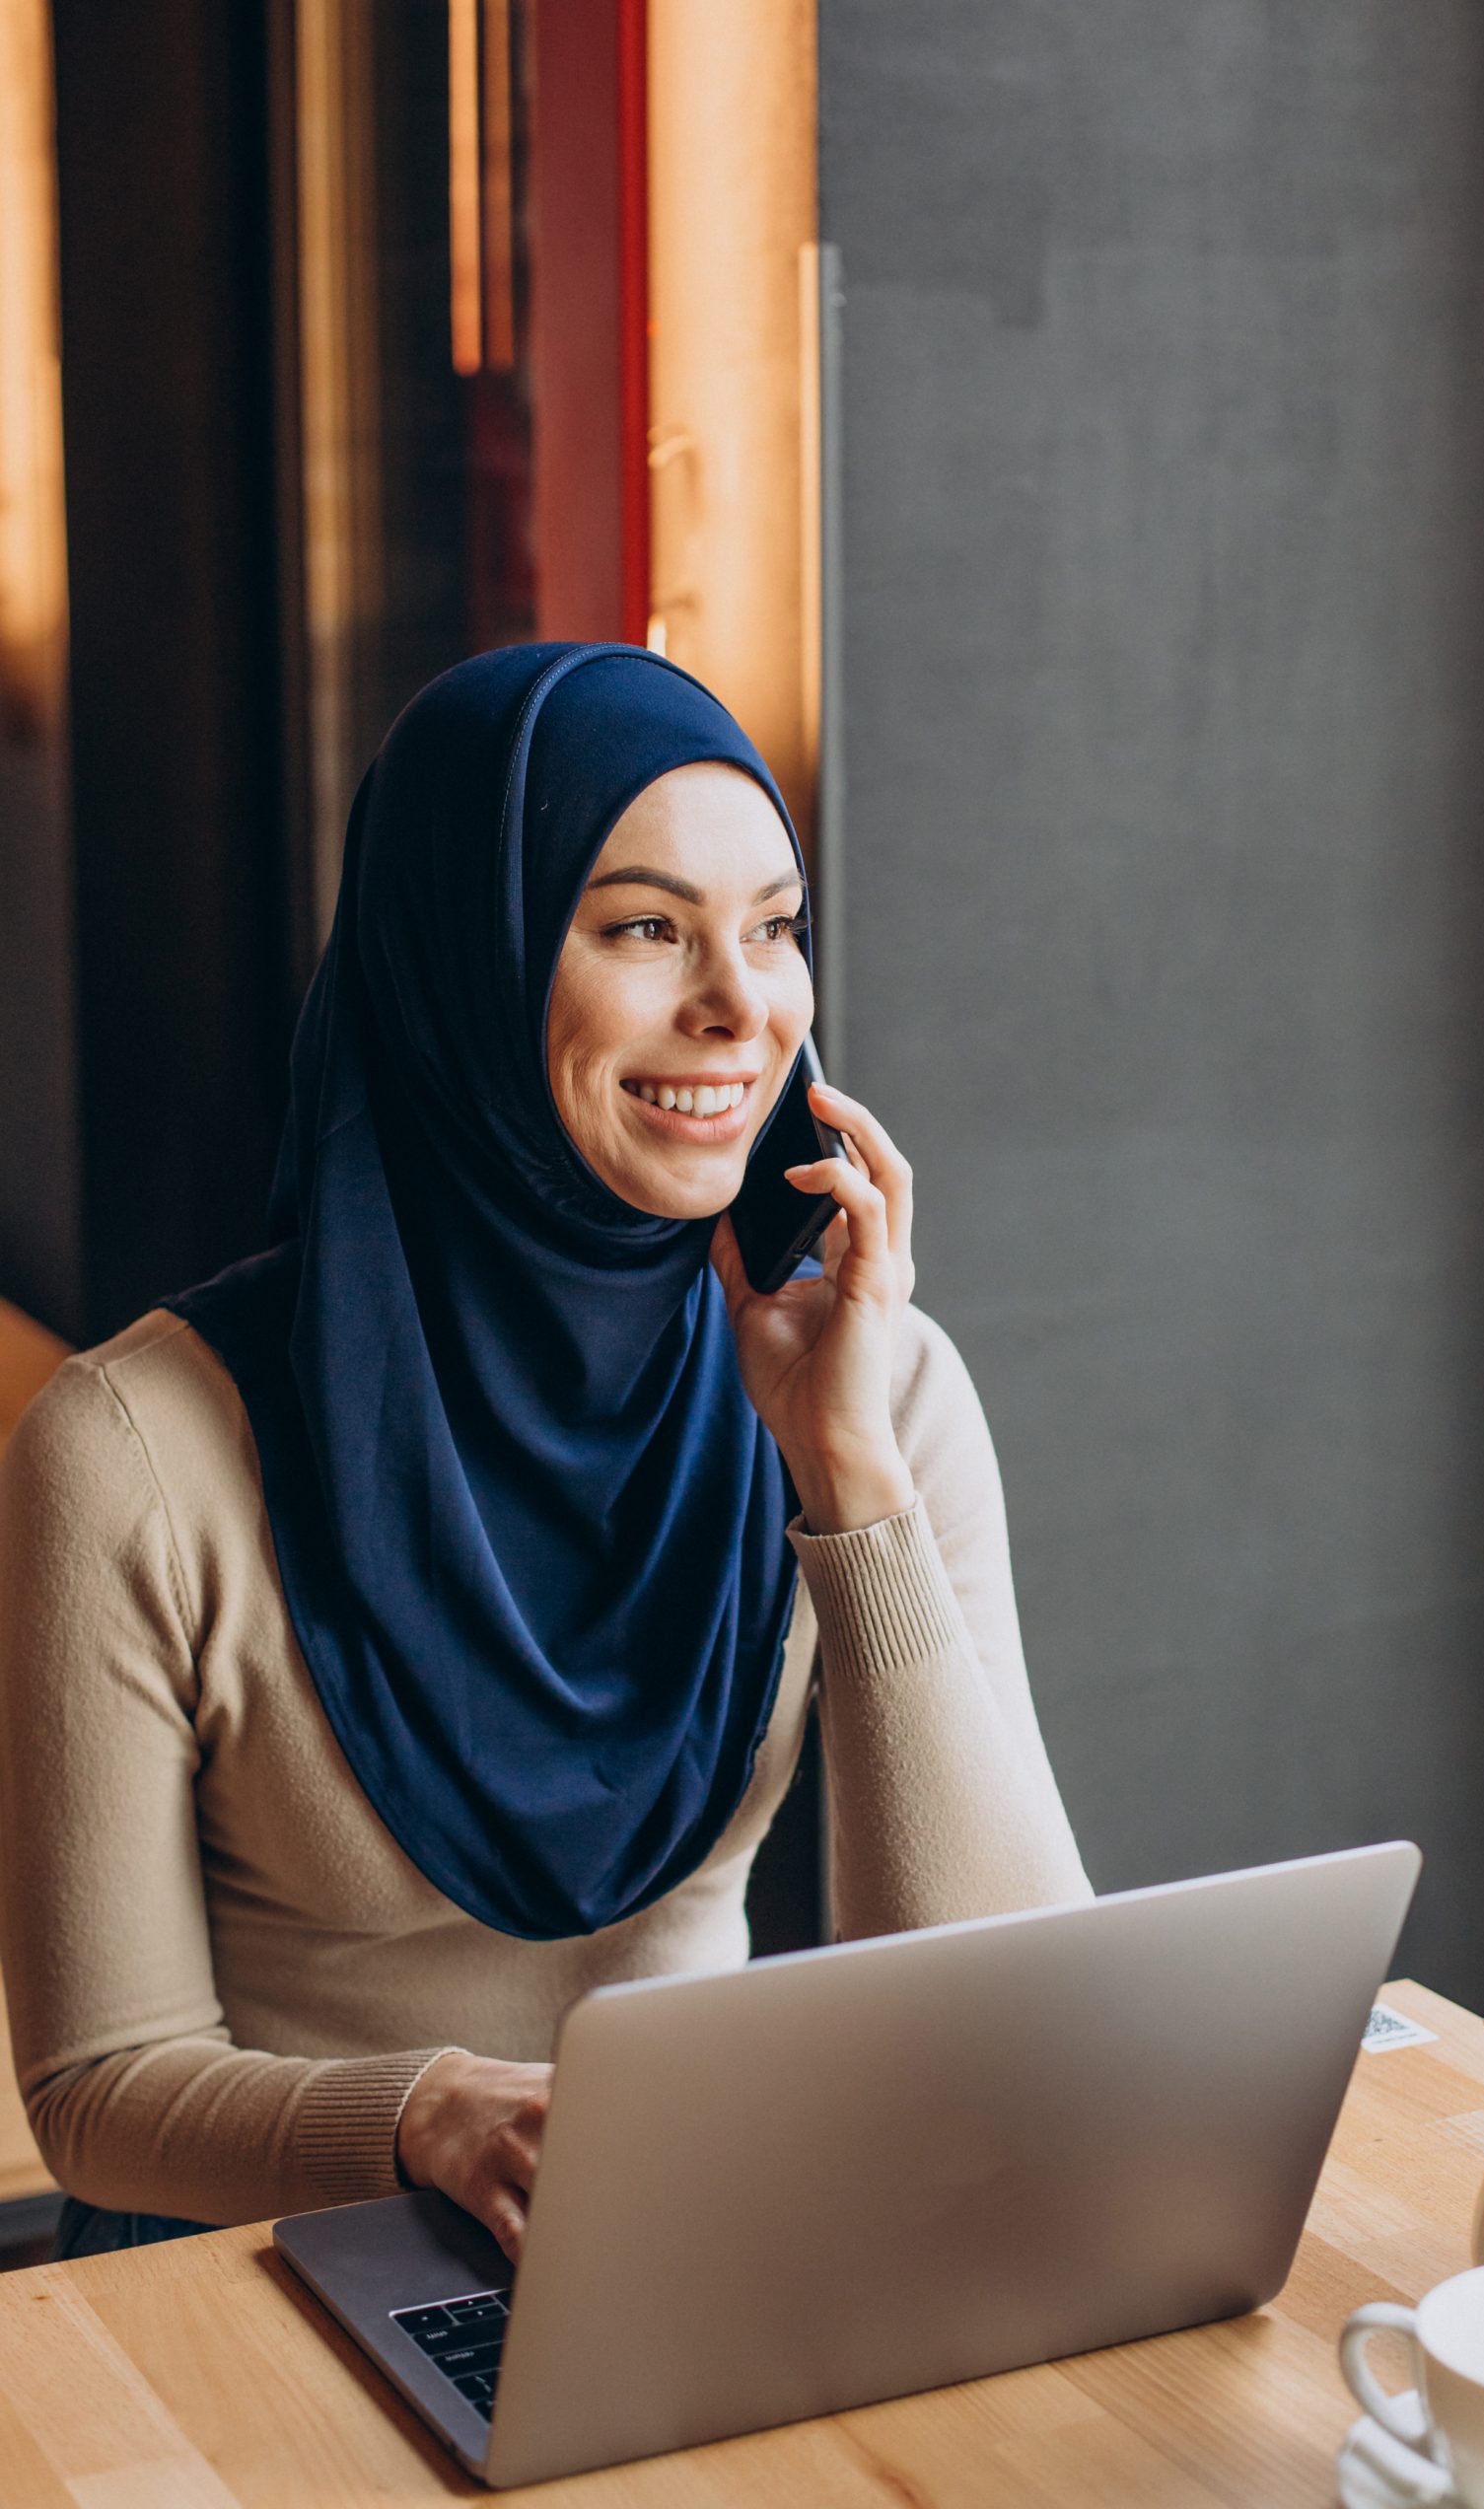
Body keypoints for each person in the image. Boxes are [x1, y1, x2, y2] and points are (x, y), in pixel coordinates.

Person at [0, 645, 1089, 2262]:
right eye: (647, 927)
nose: (742, 1006)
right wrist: (428, 2120)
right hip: (258, 2278)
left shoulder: (877, 1384)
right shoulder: (128, 1450)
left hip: (676, 2237)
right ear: (470, 963)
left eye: (775, 927)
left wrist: (848, 1477)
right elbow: (100, 2092)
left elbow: (1014, 2031)